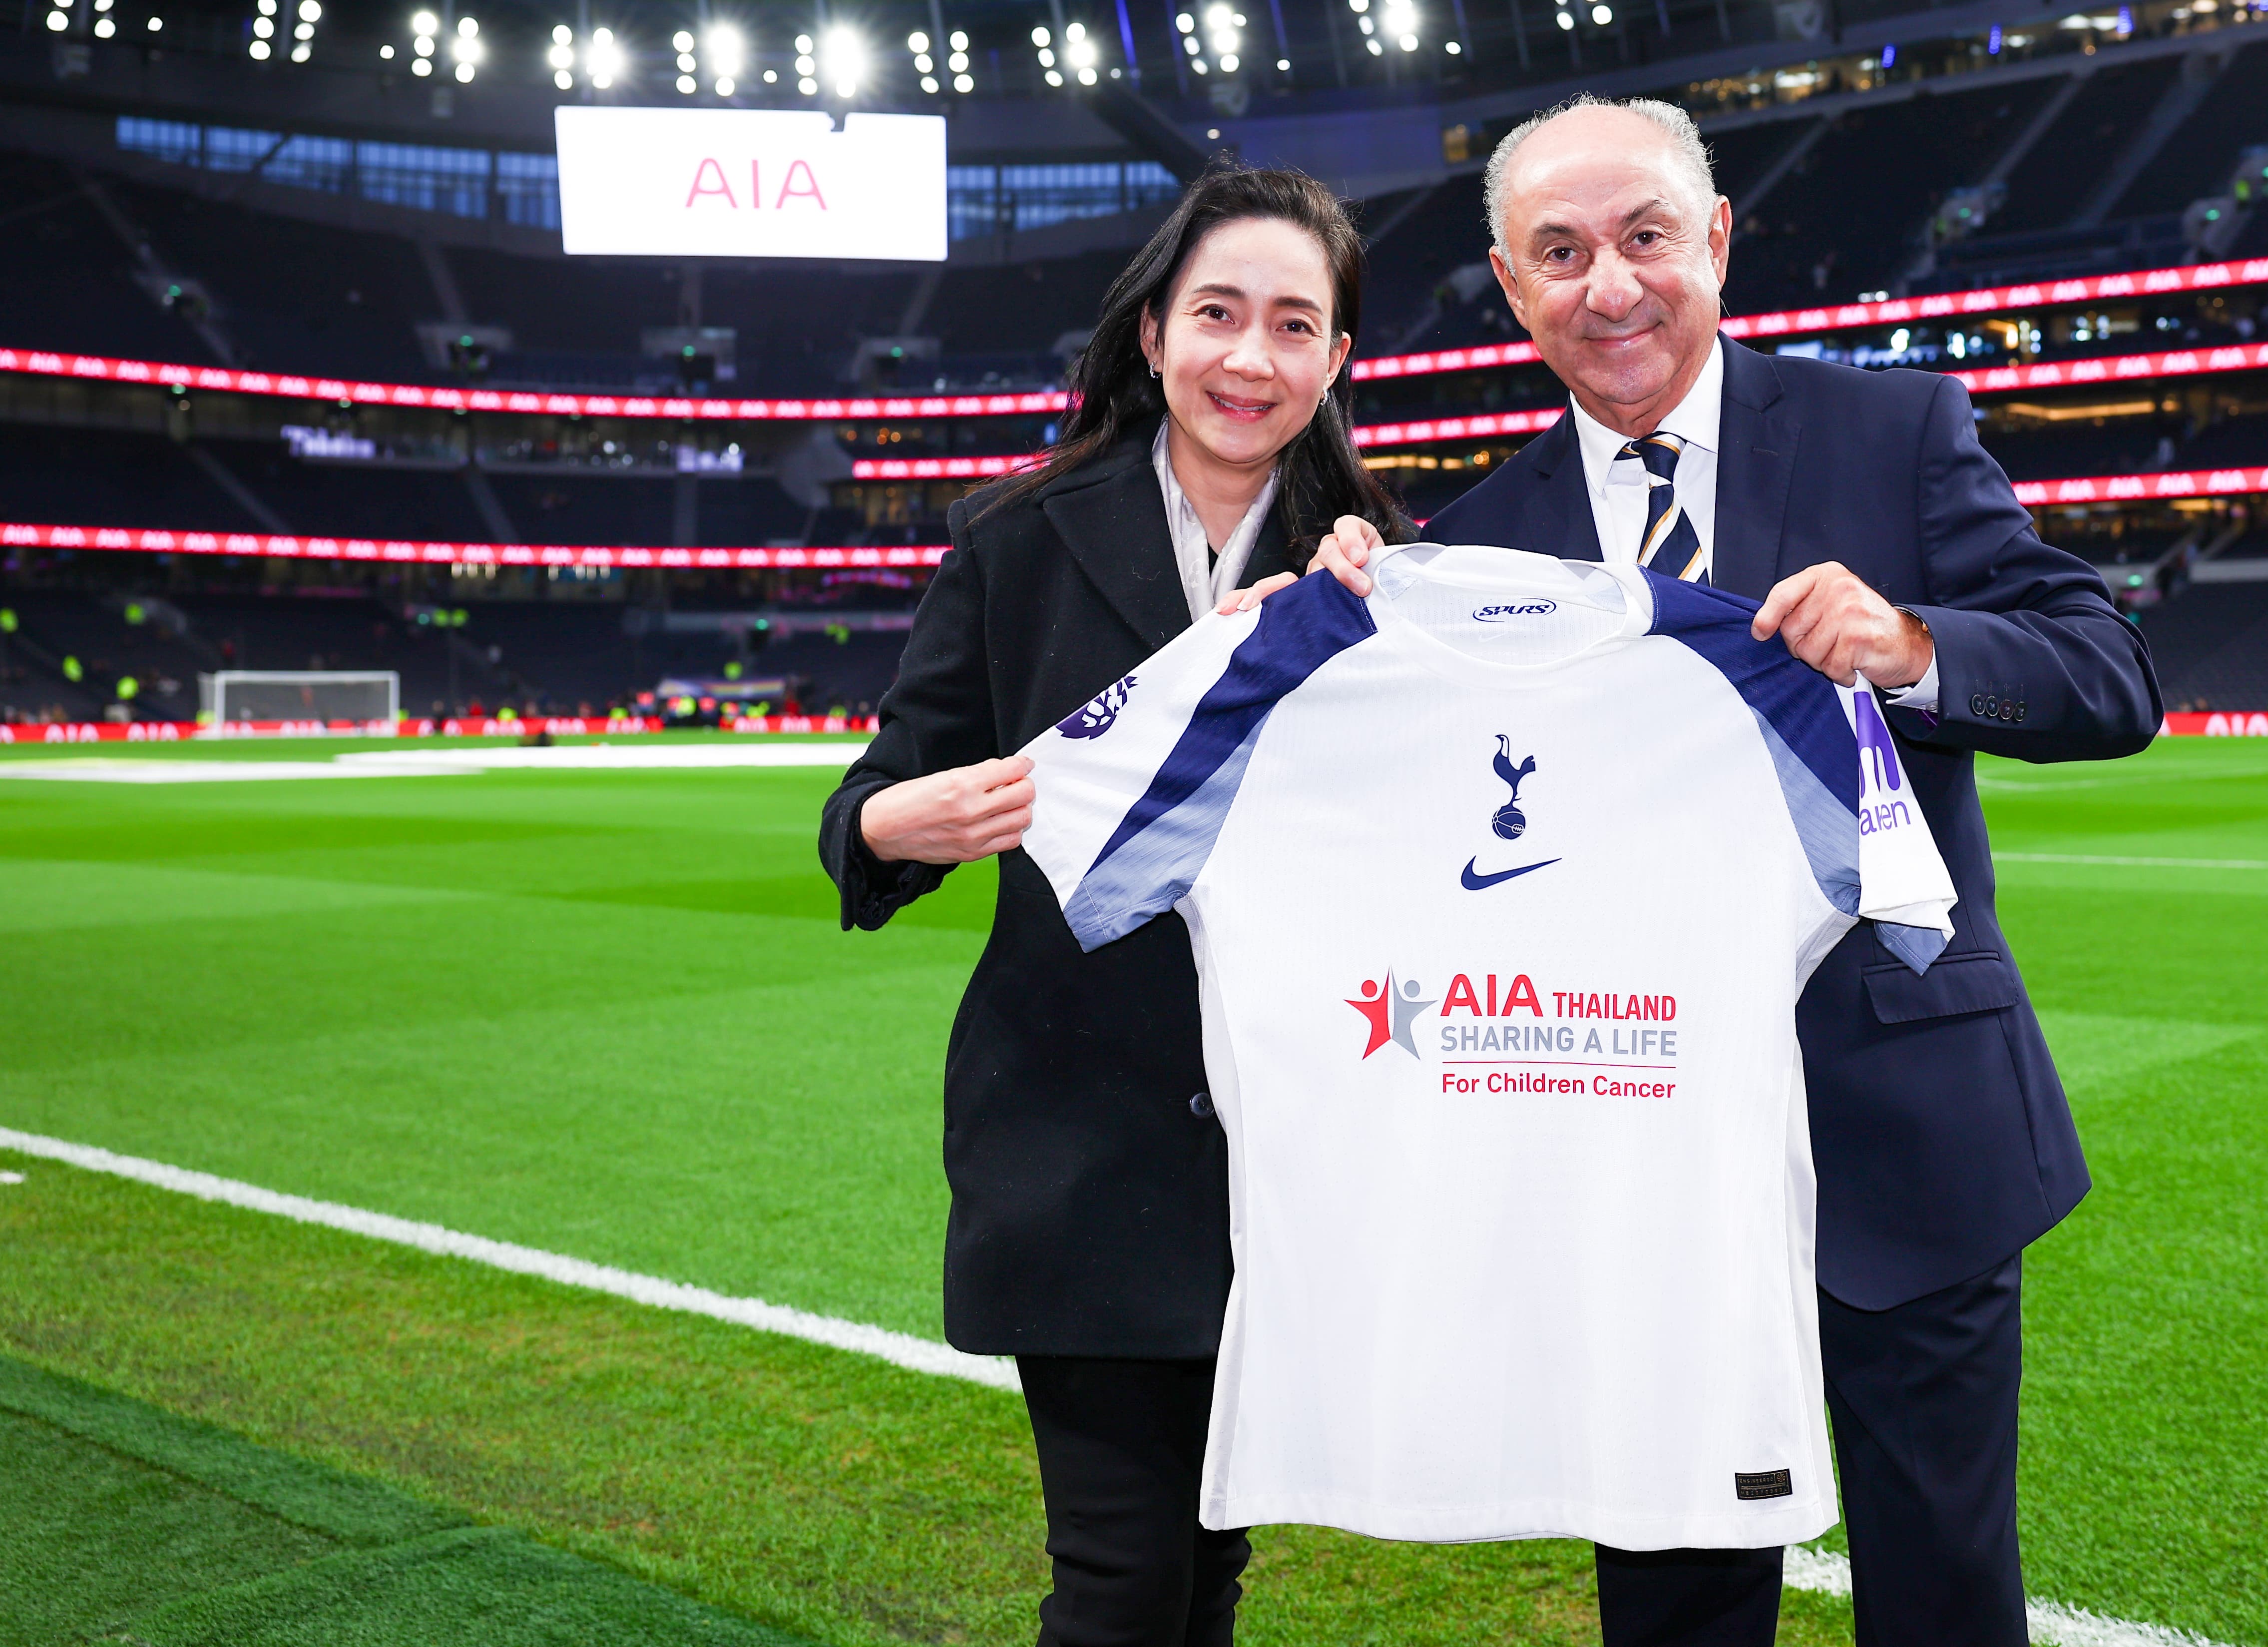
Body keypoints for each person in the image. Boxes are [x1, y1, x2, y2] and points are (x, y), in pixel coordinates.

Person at [1243, 96, 2160, 1647]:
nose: (1610, 284)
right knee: (1674, 1606)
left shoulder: (1894, 432)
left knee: (1943, 1592)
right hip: (1631, 1164)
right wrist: (1321, 630)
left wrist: (1913, 647)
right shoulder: (1476, 542)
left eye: (1646, 235)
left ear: (1717, 240)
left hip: (1903, 1131)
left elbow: (2108, 674)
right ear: (1510, 285)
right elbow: (1400, 828)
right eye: (1559, 252)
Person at [818, 164, 1409, 1647]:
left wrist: (1371, 629)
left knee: (1208, 1573)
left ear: (1338, 357)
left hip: (1293, 1149)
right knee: (1123, 1579)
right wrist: (895, 823)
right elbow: (874, 802)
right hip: (1076, 1142)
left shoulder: (1387, 566)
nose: (1250, 358)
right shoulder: (1018, 538)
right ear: (1153, 332)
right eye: (1217, 314)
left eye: (1294, 325)